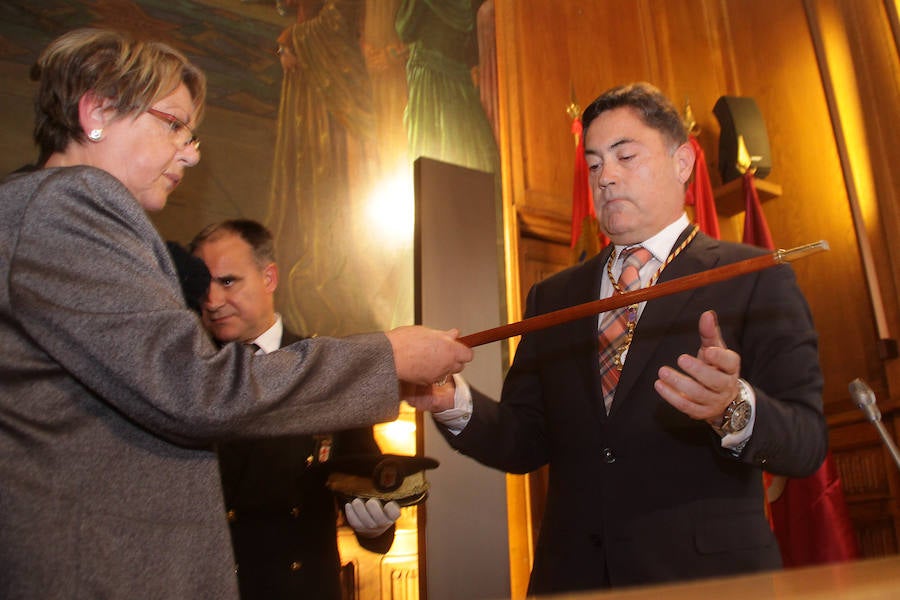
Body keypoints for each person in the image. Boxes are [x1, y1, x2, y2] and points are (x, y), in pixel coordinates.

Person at [0, 28, 472, 600]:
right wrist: (388, 354)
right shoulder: (70, 204)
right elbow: (192, 389)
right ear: (96, 111)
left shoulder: (46, 206)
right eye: (173, 124)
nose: (192, 151)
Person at [407, 82, 827, 595]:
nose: (606, 177)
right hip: (574, 580)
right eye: (594, 164)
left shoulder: (754, 275)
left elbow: (806, 442)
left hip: (707, 581)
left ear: (683, 163)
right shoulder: (553, 297)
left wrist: (732, 407)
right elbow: (525, 440)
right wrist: (452, 402)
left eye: (625, 155)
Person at [190, 219, 400, 599]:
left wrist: (374, 524)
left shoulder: (327, 367)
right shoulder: (183, 375)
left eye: (227, 281)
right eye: (202, 285)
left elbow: (364, 482)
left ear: (268, 278)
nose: (212, 300)